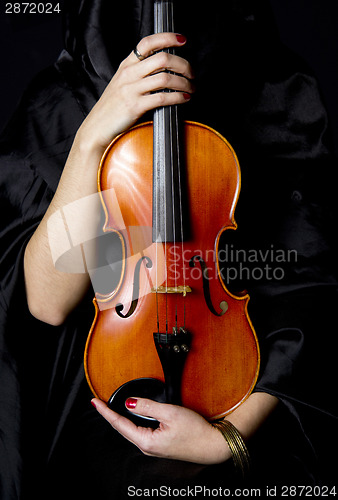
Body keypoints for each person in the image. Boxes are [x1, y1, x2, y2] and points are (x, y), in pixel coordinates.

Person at [0, 1, 337, 498]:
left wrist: (229, 439)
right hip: (100, 391)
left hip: (244, 388)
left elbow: (309, 290)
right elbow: (47, 305)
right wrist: (93, 138)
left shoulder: (277, 89)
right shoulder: (56, 105)